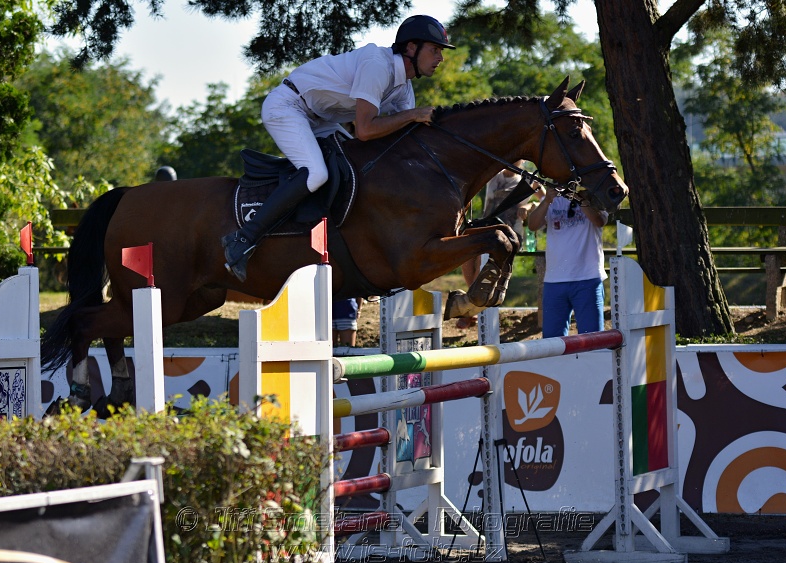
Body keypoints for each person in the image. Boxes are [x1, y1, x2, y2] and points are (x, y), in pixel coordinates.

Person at [222, 15, 455, 281]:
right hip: (288, 106)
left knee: (359, 169)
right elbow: (365, 130)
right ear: (411, 47)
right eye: (435, 50)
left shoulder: (403, 87)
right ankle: (243, 238)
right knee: (316, 174)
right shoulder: (377, 66)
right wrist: (413, 115)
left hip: (320, 118)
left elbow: (404, 139)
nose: (440, 58)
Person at [457, 161, 544, 328]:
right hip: (486, 229)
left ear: (523, 160)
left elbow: (546, 200)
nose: (513, 161)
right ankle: (474, 303)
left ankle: (471, 308)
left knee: (483, 259)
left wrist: (530, 205)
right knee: (466, 256)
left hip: (509, 235)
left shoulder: (529, 180)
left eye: (517, 159)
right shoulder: (493, 173)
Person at [525, 189, 608, 338]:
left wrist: (579, 198)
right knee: (551, 341)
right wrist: (546, 200)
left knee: (593, 340)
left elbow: (599, 221)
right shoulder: (552, 199)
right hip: (554, 281)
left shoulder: (593, 196)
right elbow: (532, 225)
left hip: (588, 279)